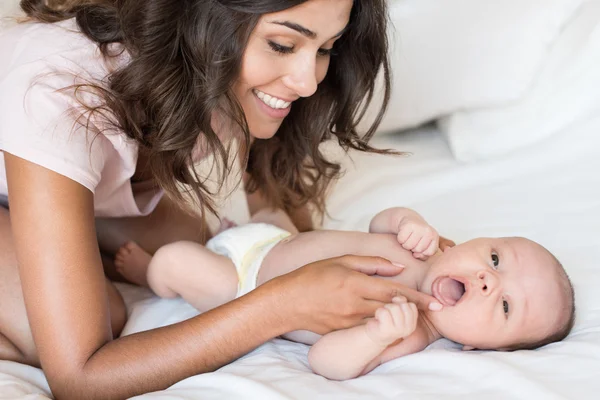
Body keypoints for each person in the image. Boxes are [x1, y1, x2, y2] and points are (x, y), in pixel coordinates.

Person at [0, 0, 447, 398]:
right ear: (205, 20)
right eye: (283, 44)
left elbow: (281, 222)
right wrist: (280, 303)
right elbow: (80, 380)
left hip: (63, 180)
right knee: (92, 324)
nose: (308, 81)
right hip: (37, 144)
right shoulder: (58, 91)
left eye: (326, 48)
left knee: (194, 241)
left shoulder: (217, 68)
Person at [115, 206, 576, 380]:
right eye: (495, 259)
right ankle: (239, 230)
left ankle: (148, 275)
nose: (487, 281)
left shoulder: (408, 330)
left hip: (246, 284)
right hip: (276, 239)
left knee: (176, 259)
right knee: (275, 210)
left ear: (476, 346)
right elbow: (378, 224)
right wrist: (404, 221)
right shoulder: (429, 245)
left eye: (504, 305)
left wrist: (372, 339)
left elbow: (325, 361)